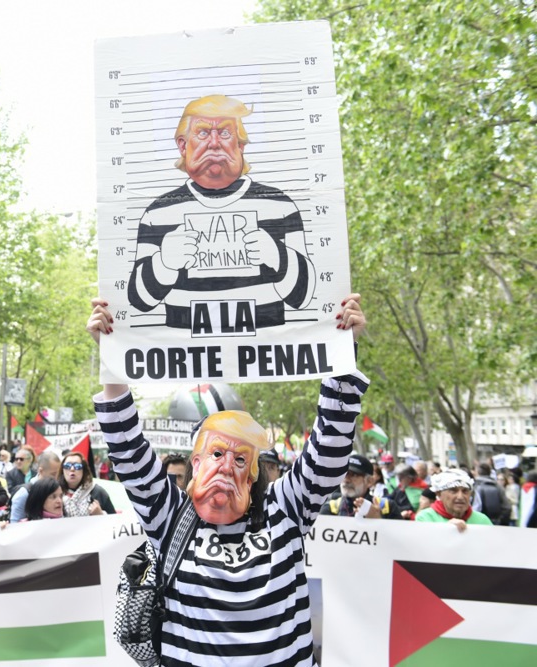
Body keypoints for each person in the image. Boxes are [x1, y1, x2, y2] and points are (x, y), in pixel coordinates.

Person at [88, 293, 368, 665]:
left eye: (240, 458)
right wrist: (113, 355)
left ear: (254, 470)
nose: (226, 467)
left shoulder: (284, 508)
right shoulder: (169, 516)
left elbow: (328, 453)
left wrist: (342, 349)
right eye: (217, 454)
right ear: (196, 461)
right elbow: (128, 452)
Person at [127, 95, 315, 330]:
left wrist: (277, 256)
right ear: (183, 146)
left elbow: (304, 297)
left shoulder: (280, 205)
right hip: (188, 363)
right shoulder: (157, 214)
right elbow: (139, 301)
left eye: (225, 133)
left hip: (267, 361)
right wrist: (163, 264)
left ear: (241, 145)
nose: (214, 143)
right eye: (203, 133)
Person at [320, 455, 398, 519]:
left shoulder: (387, 507)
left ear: (369, 481)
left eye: (354, 475)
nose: (346, 480)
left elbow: (400, 536)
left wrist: (377, 519)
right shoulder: (330, 508)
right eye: (344, 474)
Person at [416, 469, 493, 532]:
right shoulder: (425, 518)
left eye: (465, 491)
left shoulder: (482, 520)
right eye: (453, 490)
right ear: (439, 494)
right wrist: (446, 530)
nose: (460, 497)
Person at [9, 450, 61, 523]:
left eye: (59, 474)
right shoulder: (24, 494)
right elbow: (15, 525)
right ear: (41, 471)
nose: (56, 478)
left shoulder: (58, 490)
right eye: (53, 474)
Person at [57, 452, 116, 517]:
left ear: (84, 470)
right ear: (62, 470)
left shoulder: (98, 492)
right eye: (67, 466)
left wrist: (101, 515)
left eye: (77, 466)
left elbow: (116, 522)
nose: (72, 469)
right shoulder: (55, 493)